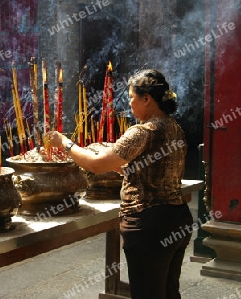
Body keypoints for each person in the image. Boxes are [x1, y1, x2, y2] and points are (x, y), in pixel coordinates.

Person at [46, 69, 192, 299]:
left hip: (149, 225)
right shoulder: (174, 128)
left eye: (132, 98)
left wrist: (64, 143)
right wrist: (121, 166)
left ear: (147, 99)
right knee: (168, 292)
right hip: (177, 218)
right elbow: (154, 170)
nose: (130, 104)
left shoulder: (142, 132)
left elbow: (94, 165)